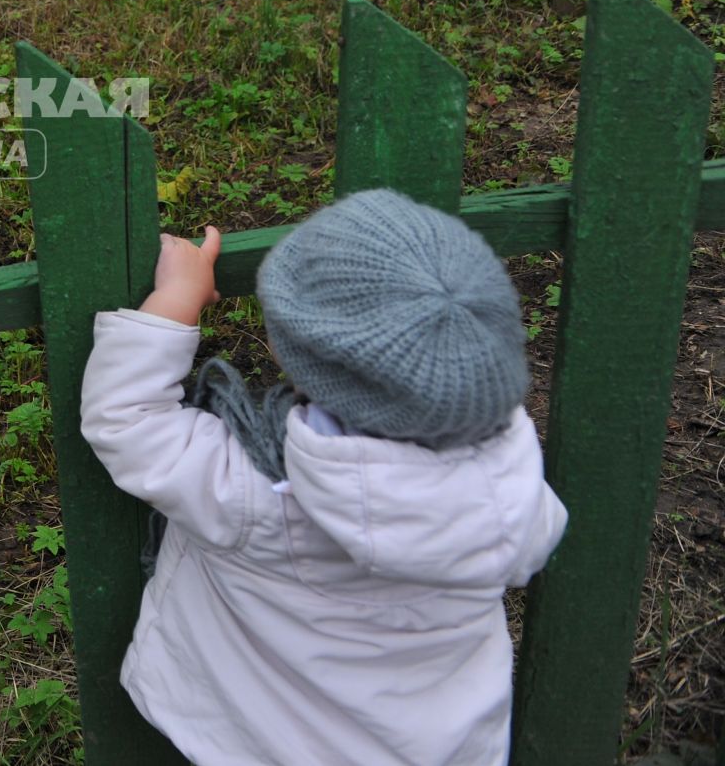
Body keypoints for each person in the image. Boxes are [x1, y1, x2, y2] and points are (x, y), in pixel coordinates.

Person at [79, 188, 569, 766]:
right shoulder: (512, 493)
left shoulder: (256, 487)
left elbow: (129, 420)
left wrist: (177, 299)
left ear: (301, 360)